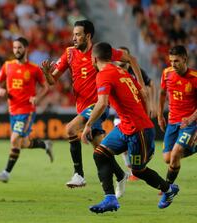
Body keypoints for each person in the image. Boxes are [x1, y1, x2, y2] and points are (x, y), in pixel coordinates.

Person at [41, 20, 145, 192]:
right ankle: (120, 175)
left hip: (99, 104)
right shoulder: (69, 53)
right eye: (73, 34)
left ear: (87, 36)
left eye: (78, 34)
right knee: (100, 147)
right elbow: (52, 80)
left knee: (70, 129)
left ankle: (79, 175)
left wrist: (140, 85)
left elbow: (131, 59)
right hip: (81, 106)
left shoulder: (100, 52)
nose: (74, 38)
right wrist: (46, 73)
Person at [81, 42, 179, 213]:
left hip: (139, 130)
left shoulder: (104, 74)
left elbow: (102, 103)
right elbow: (132, 62)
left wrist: (88, 125)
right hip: (127, 126)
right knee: (100, 154)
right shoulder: (121, 72)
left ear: (94, 58)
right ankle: (110, 198)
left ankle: (169, 190)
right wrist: (142, 88)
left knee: (138, 170)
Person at [0, 37, 53, 183]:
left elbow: (45, 87)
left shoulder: (34, 68)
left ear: (26, 49)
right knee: (22, 143)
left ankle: (6, 173)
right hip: (13, 110)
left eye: (19, 48)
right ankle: (45, 144)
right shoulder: (7, 66)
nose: (16, 50)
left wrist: (37, 97)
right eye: (14, 48)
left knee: (15, 139)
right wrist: (0, 90)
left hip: (27, 110)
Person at [115, 46, 156, 182]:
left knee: (133, 144)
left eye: (124, 56)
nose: (121, 59)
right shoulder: (113, 71)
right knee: (123, 147)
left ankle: (139, 163)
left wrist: (152, 104)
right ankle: (131, 169)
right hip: (120, 116)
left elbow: (150, 85)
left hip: (137, 114)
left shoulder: (136, 72)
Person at [157, 45, 197, 186]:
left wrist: (191, 119)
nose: (173, 64)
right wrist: (160, 114)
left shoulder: (194, 77)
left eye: (177, 61)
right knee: (168, 159)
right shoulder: (166, 73)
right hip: (172, 121)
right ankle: (194, 147)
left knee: (175, 155)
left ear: (185, 59)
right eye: (171, 61)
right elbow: (162, 93)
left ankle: (167, 188)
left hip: (190, 123)